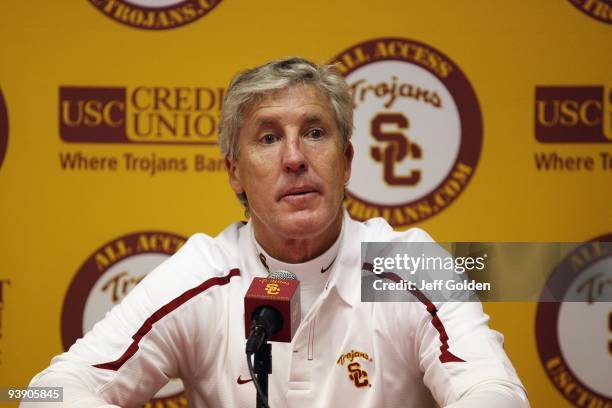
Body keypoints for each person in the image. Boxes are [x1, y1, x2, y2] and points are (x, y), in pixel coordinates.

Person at [25, 57, 529, 407]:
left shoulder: (410, 262)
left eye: (314, 132)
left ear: (346, 160)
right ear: (235, 173)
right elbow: (45, 391)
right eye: (268, 138)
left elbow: (495, 391)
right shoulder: (203, 273)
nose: (294, 158)